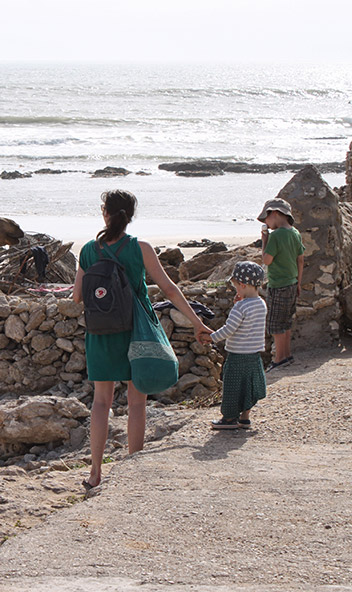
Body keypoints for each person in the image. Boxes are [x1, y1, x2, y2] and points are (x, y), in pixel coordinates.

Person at [72, 189, 212, 490]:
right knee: (137, 403)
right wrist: (198, 323)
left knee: (101, 402)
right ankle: (133, 469)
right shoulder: (141, 248)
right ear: (130, 216)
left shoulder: (87, 250)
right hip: (135, 330)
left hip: (99, 334)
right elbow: (171, 290)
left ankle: (95, 473)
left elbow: (76, 297)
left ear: (105, 213)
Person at [199, 262, 268, 430]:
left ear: (242, 285)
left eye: (236, 286)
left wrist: (212, 338)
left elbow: (230, 329)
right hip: (254, 355)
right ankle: (244, 418)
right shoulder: (261, 304)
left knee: (232, 386)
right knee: (248, 387)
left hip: (237, 355)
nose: (235, 289)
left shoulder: (241, 307)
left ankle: (229, 418)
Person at [257, 198, 304, 371]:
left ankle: (278, 359)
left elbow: (267, 260)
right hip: (292, 283)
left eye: (266, 219)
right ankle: (287, 354)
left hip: (278, 285)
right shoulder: (295, 233)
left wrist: (264, 241)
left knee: (276, 324)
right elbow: (300, 260)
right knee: (286, 322)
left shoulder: (275, 236)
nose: (267, 223)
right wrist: (299, 283)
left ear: (275, 213)